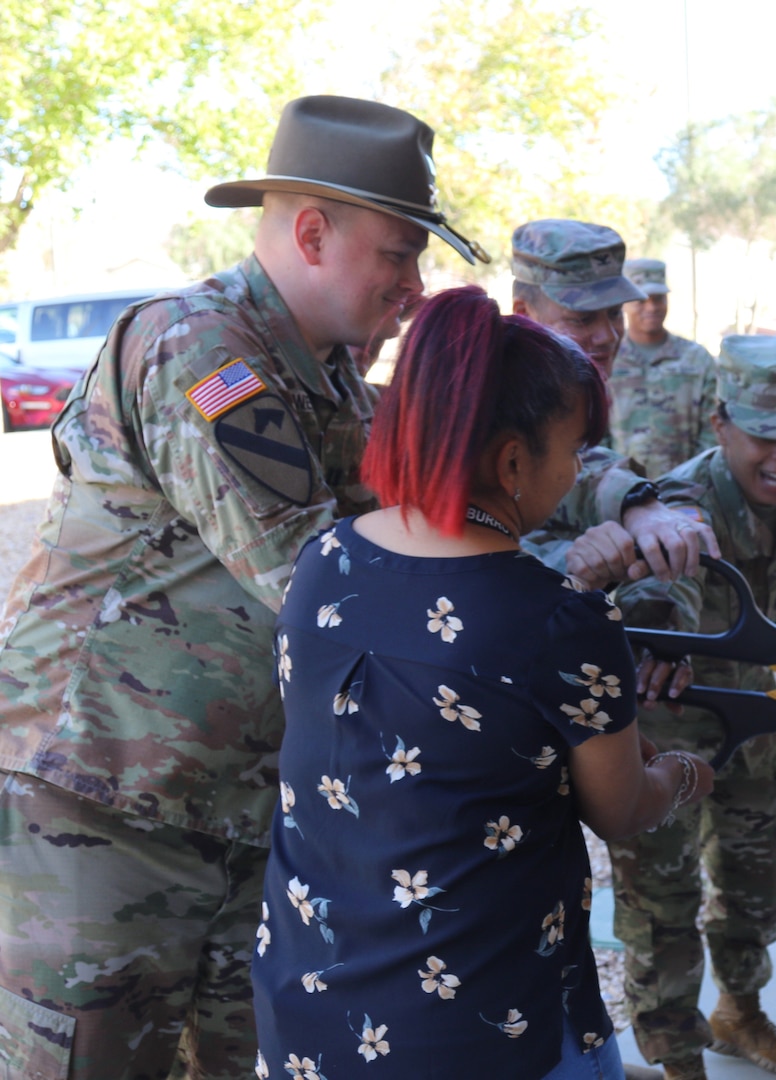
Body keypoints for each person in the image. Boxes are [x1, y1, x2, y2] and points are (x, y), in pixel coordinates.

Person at [0, 96, 483, 1079]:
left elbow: (462, 468)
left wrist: (631, 507)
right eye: (399, 253)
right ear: (313, 232)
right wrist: (525, 664)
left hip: (236, 818)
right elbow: (321, 582)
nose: (414, 283)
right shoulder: (199, 349)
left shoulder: (331, 380)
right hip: (99, 812)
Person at [251, 285, 714, 1079]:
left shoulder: (323, 561)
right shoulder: (561, 621)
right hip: (486, 1033)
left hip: (310, 1018)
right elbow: (623, 807)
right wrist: (684, 773)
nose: (575, 476)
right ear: (510, 461)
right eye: (573, 453)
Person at [611, 336, 776, 1080]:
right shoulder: (680, 507)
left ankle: (740, 1013)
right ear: (721, 426)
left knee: (752, 879)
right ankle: (677, 1061)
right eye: (764, 437)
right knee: (661, 904)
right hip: (667, 738)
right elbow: (655, 595)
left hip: (754, 720)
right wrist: (664, 642)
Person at [510, 220, 717, 592]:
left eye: (614, 313)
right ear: (525, 313)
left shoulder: (574, 389)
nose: (607, 336)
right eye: (582, 318)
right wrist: (573, 559)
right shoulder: (497, 397)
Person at [611, 258, 719, 479]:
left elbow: (714, 429)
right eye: (641, 300)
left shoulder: (696, 359)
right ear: (623, 303)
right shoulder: (608, 359)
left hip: (687, 488)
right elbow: (595, 432)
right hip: (619, 489)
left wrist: (693, 479)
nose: (652, 307)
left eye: (658, 299)